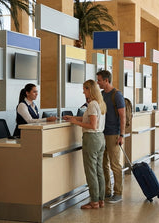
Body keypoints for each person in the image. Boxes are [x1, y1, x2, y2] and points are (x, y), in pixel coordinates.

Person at [63, 79, 106, 209]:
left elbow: (92, 125)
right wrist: (75, 118)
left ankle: (93, 201)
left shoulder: (92, 104)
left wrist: (76, 123)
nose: (83, 92)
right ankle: (100, 200)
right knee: (98, 170)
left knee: (91, 171)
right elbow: (92, 119)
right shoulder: (100, 103)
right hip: (100, 138)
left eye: (84, 89)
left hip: (91, 138)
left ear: (90, 90)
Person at [96, 70, 126, 204]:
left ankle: (118, 193)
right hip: (102, 133)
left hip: (113, 134)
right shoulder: (101, 94)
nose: (98, 82)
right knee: (103, 164)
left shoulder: (117, 95)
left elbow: (122, 116)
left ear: (106, 80)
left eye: (99, 80)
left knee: (115, 164)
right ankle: (106, 191)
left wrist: (122, 135)